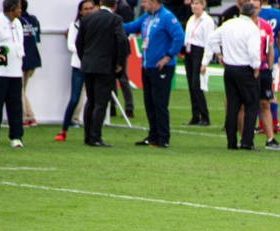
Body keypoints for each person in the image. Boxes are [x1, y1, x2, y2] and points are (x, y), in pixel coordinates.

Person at [125, 0, 185, 148]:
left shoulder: (167, 17)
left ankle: (163, 138)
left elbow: (179, 36)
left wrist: (168, 56)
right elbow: (130, 27)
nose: (143, 5)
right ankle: (153, 136)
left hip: (161, 67)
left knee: (160, 103)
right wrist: (110, 20)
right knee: (149, 103)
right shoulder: (147, 17)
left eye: (145, 1)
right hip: (147, 66)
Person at [204, 2, 261, 150]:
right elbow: (254, 51)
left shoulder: (229, 24)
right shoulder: (252, 29)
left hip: (229, 69)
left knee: (233, 106)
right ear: (254, 13)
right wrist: (256, 68)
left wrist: (219, 54)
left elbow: (211, 39)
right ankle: (247, 141)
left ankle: (231, 142)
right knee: (251, 105)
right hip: (245, 69)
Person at [77, 0, 128, 147]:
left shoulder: (87, 19)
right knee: (101, 103)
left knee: (90, 101)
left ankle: (87, 136)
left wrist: (84, 58)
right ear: (115, 6)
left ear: (100, 4)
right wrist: (119, 63)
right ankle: (96, 137)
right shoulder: (115, 19)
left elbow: (79, 42)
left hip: (88, 65)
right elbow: (121, 40)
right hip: (105, 67)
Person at [0, 0, 27, 149]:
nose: (21, 10)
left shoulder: (18, 23)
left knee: (15, 105)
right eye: (19, 8)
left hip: (16, 72)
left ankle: (16, 136)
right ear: (12, 8)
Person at [54, 0, 97, 143]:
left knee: (93, 100)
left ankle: (91, 132)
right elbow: (71, 45)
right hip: (79, 66)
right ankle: (64, 130)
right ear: (80, 11)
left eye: (91, 8)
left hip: (93, 67)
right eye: (86, 9)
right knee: (74, 99)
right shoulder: (75, 25)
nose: (89, 11)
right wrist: (86, 53)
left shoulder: (98, 24)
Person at [251, 0, 280, 149]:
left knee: (265, 97)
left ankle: (267, 127)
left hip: (264, 64)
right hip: (265, 61)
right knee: (267, 95)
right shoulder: (278, 14)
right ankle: (272, 125)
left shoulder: (262, 21)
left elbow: (274, 40)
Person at [183, 0, 214, 126]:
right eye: (193, 3)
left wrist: (205, 61)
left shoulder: (207, 21)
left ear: (203, 5)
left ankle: (204, 116)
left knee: (197, 85)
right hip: (189, 51)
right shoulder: (191, 19)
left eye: (197, 3)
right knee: (191, 84)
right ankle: (195, 115)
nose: (194, 6)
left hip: (199, 51)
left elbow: (209, 42)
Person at [258, 0, 280, 133]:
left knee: (260, 92)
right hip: (272, 57)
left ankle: (264, 124)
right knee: (269, 90)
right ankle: (275, 123)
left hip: (261, 58)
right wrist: (278, 54)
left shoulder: (255, 13)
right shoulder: (278, 14)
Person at [19, 0, 42, 127]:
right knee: (22, 89)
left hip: (22, 59)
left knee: (19, 90)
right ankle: (29, 117)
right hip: (33, 58)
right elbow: (37, 38)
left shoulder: (17, 22)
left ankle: (26, 117)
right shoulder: (34, 20)